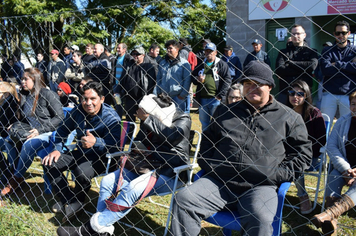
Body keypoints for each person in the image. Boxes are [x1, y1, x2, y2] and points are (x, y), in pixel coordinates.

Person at [170, 61, 312, 236]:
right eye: (247, 84)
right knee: (184, 200)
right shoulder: (225, 112)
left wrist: (275, 175)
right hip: (219, 182)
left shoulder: (289, 118)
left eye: (257, 84)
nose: (252, 88)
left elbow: (302, 154)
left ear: (270, 86)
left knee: (260, 219)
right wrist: (214, 166)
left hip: (260, 186)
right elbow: (207, 144)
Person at [56, 93, 192, 236]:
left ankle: (88, 230)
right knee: (107, 182)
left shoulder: (182, 118)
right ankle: (102, 230)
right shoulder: (150, 119)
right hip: (145, 166)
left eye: (144, 112)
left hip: (170, 171)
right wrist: (137, 146)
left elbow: (172, 136)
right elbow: (140, 141)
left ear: (153, 112)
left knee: (133, 188)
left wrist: (147, 119)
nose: (138, 114)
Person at [42, 81, 122, 222]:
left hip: (103, 157)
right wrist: (57, 149)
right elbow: (62, 131)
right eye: (84, 99)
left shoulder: (111, 117)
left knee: (81, 171)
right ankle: (69, 199)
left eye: (93, 99)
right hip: (82, 153)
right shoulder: (78, 111)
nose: (88, 103)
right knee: (49, 162)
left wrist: (96, 142)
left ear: (102, 99)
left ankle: (77, 202)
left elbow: (115, 146)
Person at [0, 68, 64, 196]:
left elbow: (60, 117)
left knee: (28, 144)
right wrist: (16, 125)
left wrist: (40, 130)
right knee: (8, 140)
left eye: (26, 79)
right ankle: (13, 172)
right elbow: (25, 118)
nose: (22, 81)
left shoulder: (47, 94)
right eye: (22, 79)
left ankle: (16, 178)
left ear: (35, 79)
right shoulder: (26, 96)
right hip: (31, 131)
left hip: (49, 133)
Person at [311, 91, 356, 236]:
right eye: (353, 104)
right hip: (344, 166)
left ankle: (329, 214)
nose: (355, 107)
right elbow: (331, 146)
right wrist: (345, 169)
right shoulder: (343, 121)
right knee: (334, 176)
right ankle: (331, 223)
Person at [286, 80, 326, 214]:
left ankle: (302, 196)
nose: (295, 97)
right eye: (292, 93)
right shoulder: (283, 111)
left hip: (309, 155)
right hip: (284, 152)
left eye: (300, 94)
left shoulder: (314, 113)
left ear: (306, 95)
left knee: (296, 163)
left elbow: (321, 140)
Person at [319, 20, 356, 121]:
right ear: (334, 34)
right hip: (329, 93)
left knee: (347, 125)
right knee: (325, 124)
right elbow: (326, 70)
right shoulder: (327, 50)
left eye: (343, 33)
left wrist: (337, 64)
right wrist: (349, 65)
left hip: (348, 94)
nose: (340, 35)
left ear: (348, 33)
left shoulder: (354, 50)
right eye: (337, 33)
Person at [192, 42, 231, 131]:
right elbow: (192, 76)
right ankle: (206, 142)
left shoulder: (221, 64)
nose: (208, 53)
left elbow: (227, 80)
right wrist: (197, 79)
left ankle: (216, 143)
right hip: (203, 99)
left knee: (217, 123)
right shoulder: (201, 64)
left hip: (215, 99)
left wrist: (220, 96)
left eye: (210, 51)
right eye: (206, 51)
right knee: (204, 123)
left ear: (215, 52)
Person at [275, 24, 318, 104]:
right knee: (282, 115)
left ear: (304, 35)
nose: (295, 36)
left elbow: (311, 66)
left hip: (304, 92)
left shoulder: (311, 52)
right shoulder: (283, 52)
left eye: (298, 33)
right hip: (285, 91)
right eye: (293, 34)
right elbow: (279, 70)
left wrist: (290, 63)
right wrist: (302, 69)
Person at [117, 46, 156, 123]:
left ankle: (142, 135)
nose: (135, 56)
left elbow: (152, 83)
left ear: (143, 55)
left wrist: (148, 96)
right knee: (128, 120)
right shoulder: (128, 65)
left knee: (144, 121)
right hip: (129, 97)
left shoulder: (149, 66)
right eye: (133, 54)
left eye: (137, 54)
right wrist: (117, 90)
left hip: (143, 98)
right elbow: (121, 80)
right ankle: (126, 135)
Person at [156, 40, 191, 113]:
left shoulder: (184, 64)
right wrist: (159, 92)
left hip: (178, 97)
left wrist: (182, 96)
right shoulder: (162, 63)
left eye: (170, 48)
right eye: (167, 48)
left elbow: (187, 80)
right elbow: (158, 79)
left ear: (177, 49)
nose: (168, 50)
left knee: (177, 120)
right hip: (164, 97)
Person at [0, 82, 20, 186]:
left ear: (6, 94)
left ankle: (6, 172)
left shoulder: (11, 104)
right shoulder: (3, 103)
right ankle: (5, 170)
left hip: (9, 136)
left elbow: (9, 122)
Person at [113, 43, 132, 117]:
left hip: (125, 85)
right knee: (118, 103)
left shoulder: (128, 58)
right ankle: (118, 118)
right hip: (116, 84)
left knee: (127, 103)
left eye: (119, 48)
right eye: (117, 48)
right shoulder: (116, 58)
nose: (117, 49)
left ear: (124, 49)